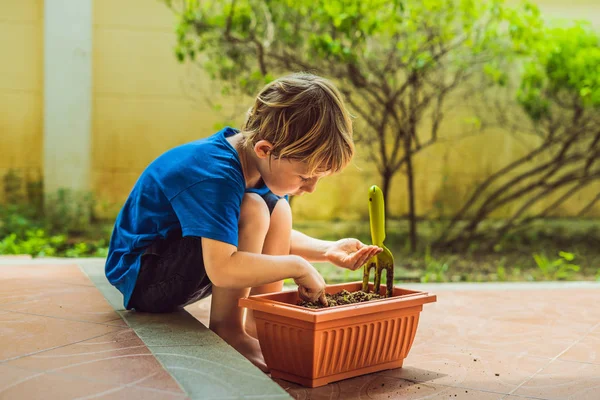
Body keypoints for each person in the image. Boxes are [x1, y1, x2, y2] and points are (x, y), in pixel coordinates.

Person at [105, 72, 382, 371]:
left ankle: (260, 322)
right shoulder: (217, 174)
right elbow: (223, 268)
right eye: (305, 176)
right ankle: (229, 329)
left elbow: (260, 236)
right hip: (145, 275)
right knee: (253, 207)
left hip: (185, 263)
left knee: (277, 210)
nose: (311, 188)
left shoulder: (261, 163)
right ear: (265, 149)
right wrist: (298, 267)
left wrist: (327, 250)